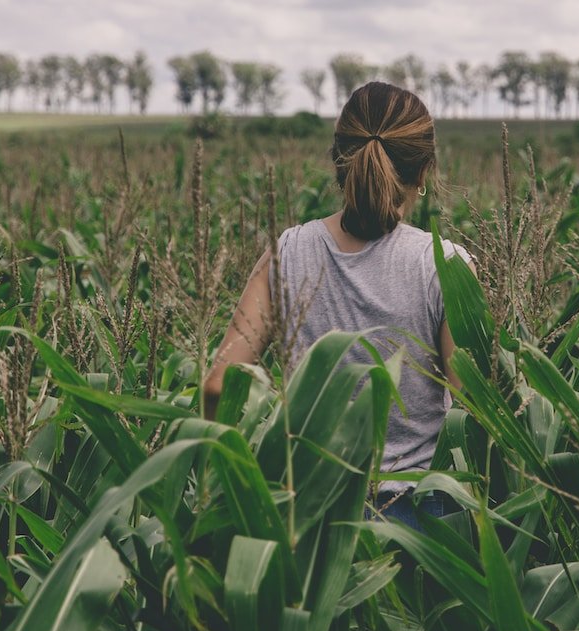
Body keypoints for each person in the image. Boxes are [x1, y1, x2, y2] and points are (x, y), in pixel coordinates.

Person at [202, 79, 472, 520]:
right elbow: (471, 412)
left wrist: (234, 488)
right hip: (420, 519)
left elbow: (218, 385)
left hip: (308, 511)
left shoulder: (286, 252)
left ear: (338, 161)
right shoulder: (445, 265)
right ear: (424, 172)